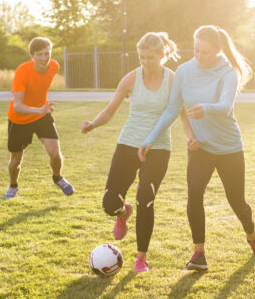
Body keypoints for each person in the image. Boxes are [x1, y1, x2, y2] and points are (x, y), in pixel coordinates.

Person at [139, 25, 255, 271]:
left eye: (205, 53)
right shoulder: (185, 71)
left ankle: (251, 235)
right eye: (196, 50)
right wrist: (150, 138)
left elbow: (226, 105)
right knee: (194, 194)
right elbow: (172, 109)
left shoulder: (229, 72)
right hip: (200, 148)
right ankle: (199, 253)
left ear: (218, 51)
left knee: (236, 201)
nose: (199, 56)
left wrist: (205, 108)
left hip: (229, 147)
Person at [81, 32, 197, 274]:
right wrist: (93, 124)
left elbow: (183, 113)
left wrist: (190, 137)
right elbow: (110, 110)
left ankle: (141, 257)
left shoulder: (173, 80)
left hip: (159, 148)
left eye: (150, 58)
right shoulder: (131, 79)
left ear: (163, 56)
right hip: (128, 143)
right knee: (109, 202)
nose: (145, 62)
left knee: (146, 198)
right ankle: (123, 212)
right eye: (141, 57)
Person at [5, 37, 73, 199]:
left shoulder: (54, 66)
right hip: (19, 119)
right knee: (16, 158)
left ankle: (58, 178)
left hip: (42, 114)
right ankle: (13, 185)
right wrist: (39, 109)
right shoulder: (22, 71)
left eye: (47, 53)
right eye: (39, 54)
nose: (44, 58)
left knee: (55, 153)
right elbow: (17, 105)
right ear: (32, 55)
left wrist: (42, 110)